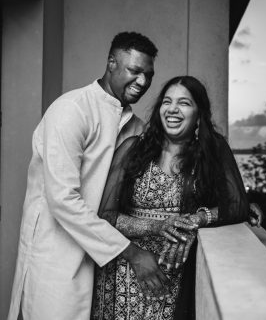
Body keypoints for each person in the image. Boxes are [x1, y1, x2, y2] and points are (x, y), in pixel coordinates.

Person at [7, 32, 168, 320]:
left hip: (103, 264)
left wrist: (234, 205)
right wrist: (132, 252)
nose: (142, 82)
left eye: (148, 75)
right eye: (134, 71)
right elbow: (63, 201)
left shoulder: (136, 127)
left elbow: (173, 166)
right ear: (111, 63)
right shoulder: (72, 110)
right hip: (55, 258)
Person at [91, 75, 256, 319]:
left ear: (199, 114)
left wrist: (197, 219)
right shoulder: (132, 148)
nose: (173, 109)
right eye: (167, 102)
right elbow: (105, 216)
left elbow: (236, 205)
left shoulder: (212, 151)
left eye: (184, 103)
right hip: (124, 270)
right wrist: (158, 226)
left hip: (172, 278)